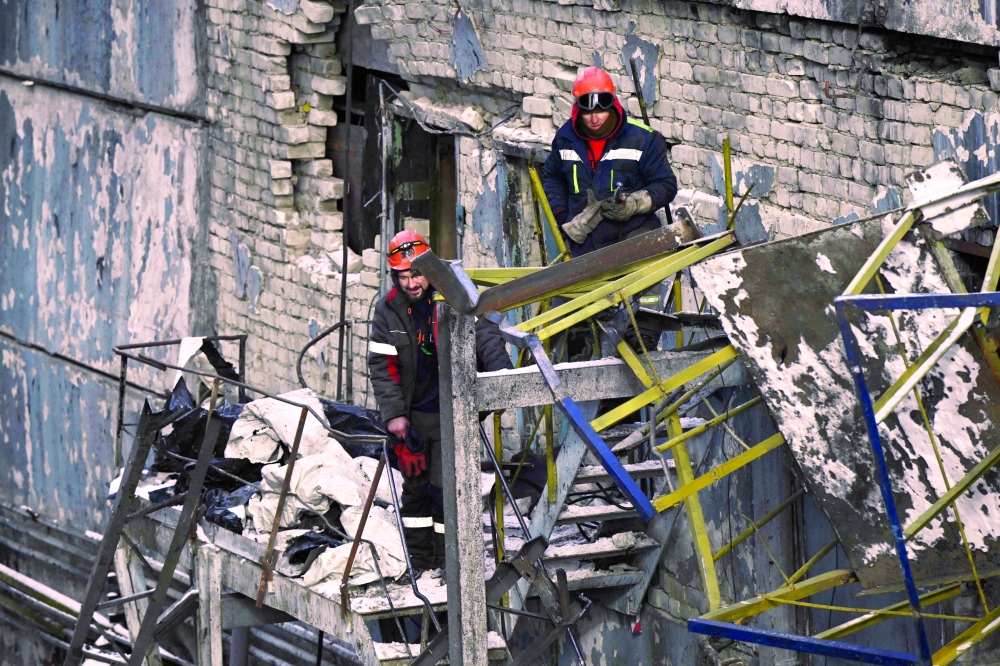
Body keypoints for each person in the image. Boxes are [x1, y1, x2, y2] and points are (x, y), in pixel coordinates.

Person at [366, 230, 513, 572]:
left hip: (452, 411)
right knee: (416, 490)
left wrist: (501, 380)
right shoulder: (388, 310)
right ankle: (420, 561)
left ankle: (450, 561)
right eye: (403, 276)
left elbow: (486, 338)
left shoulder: (454, 294)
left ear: (429, 272)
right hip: (413, 417)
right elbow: (382, 365)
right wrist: (395, 418)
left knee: (445, 489)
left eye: (416, 274)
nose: (411, 283)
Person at [541, 66, 680, 257]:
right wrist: (561, 215)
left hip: (634, 238)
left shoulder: (642, 139)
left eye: (601, 111)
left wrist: (634, 203)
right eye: (587, 112)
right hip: (583, 246)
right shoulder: (565, 139)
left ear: (613, 103)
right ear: (577, 108)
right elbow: (552, 177)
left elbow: (666, 185)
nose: (595, 119)